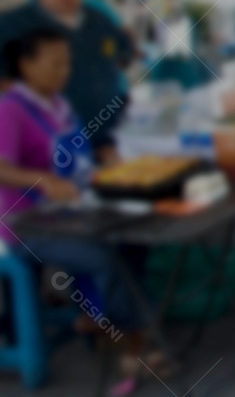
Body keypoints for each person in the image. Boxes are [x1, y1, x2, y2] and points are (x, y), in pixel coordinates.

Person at [0, 28, 168, 393]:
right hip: (26, 227)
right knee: (106, 255)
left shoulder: (59, 104)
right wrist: (41, 180)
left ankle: (105, 317)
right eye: (55, 63)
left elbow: (77, 158)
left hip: (71, 211)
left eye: (67, 63)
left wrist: (106, 165)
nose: (64, 70)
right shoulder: (11, 109)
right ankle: (134, 344)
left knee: (136, 237)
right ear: (25, 65)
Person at [0, 0, 133, 163]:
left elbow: (123, 52)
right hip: (47, 143)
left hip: (106, 136)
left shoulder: (97, 18)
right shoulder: (13, 25)